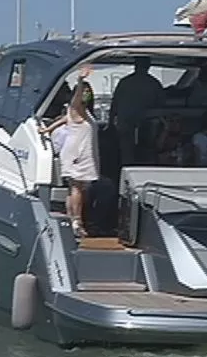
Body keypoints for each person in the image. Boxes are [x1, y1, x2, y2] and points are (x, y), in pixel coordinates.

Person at [41, 64, 97, 237]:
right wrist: (81, 80)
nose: (85, 96)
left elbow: (65, 119)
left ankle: (72, 219)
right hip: (77, 154)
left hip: (79, 153)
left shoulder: (79, 112)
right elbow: (77, 100)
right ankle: (77, 222)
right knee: (77, 189)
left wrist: (48, 130)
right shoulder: (76, 108)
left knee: (74, 188)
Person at [110, 57, 164, 166]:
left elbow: (114, 104)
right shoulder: (154, 83)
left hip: (126, 122)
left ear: (135, 65)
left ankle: (126, 170)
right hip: (146, 125)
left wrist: (110, 122)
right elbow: (162, 106)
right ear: (149, 66)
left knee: (126, 153)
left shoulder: (124, 82)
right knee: (147, 152)